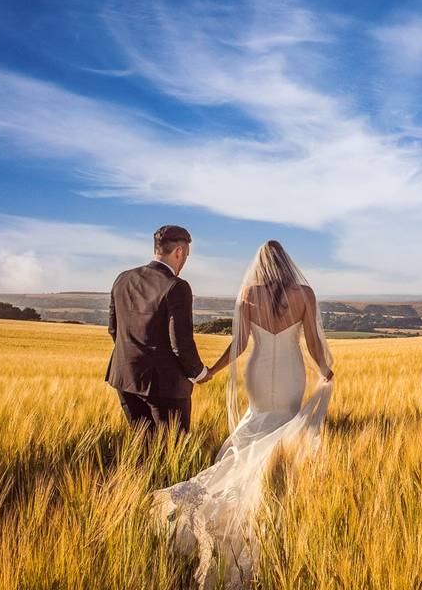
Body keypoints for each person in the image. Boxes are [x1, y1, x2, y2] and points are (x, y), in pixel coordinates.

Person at [151, 239, 335, 589]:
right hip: (292, 374)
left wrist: (213, 371)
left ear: (260, 265)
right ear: (287, 263)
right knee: (282, 432)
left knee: (255, 429)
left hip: (259, 373)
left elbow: (239, 344)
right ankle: (271, 496)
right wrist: (324, 370)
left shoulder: (249, 294)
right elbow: (312, 340)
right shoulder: (305, 294)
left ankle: (236, 497)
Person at [106, 225, 211, 435]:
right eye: (186, 255)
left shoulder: (123, 278)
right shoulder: (177, 286)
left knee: (142, 448)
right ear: (179, 252)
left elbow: (113, 329)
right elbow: (180, 344)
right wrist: (199, 373)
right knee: (172, 449)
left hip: (125, 378)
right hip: (165, 387)